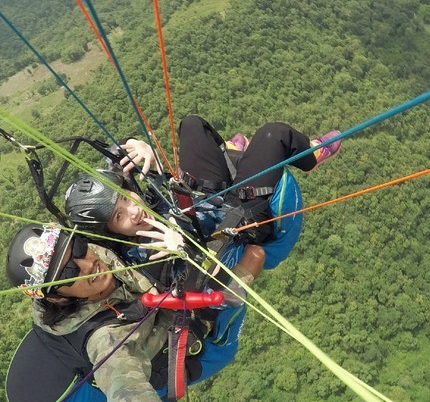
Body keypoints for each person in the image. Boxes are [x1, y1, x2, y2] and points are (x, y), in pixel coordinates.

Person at [4, 222, 228, 402]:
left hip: (151, 307)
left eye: (76, 247)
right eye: (69, 272)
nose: (86, 264)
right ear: (59, 300)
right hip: (129, 369)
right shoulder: (105, 339)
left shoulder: (94, 257)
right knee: (225, 328)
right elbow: (125, 390)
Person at [64, 115, 341, 294]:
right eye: (119, 216)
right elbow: (191, 283)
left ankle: (230, 155)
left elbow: (143, 179)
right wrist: (182, 250)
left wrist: (144, 154)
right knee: (275, 134)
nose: (134, 211)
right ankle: (311, 155)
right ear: (111, 230)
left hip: (206, 198)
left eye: (125, 198)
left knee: (192, 125)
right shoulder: (144, 253)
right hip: (235, 221)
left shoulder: (140, 207)